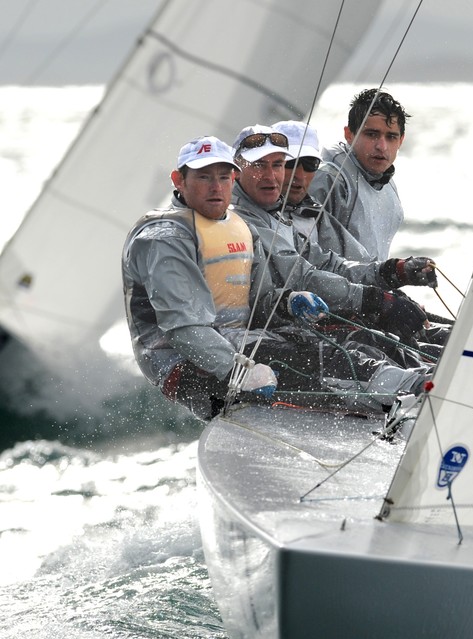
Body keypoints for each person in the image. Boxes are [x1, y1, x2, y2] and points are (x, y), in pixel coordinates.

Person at [122, 135, 429, 421]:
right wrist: (239, 372)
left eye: (223, 177)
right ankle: (416, 393)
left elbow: (258, 301)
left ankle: (416, 388)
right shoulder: (163, 239)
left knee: (350, 348)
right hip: (184, 363)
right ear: (179, 181)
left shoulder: (239, 228)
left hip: (240, 340)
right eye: (204, 177)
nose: (216, 187)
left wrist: (287, 302)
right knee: (319, 363)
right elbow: (184, 329)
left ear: (234, 178)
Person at [229, 124, 430, 346]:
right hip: (261, 337)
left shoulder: (275, 215)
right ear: (235, 172)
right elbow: (303, 277)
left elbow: (330, 264)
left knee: (419, 341)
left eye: (277, 165)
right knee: (386, 350)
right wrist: (374, 300)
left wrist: (392, 271)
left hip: (301, 324)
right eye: (259, 166)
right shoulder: (242, 218)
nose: (271, 176)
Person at [309, 88, 409, 261]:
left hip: (374, 285)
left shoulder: (388, 184)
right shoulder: (328, 179)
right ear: (349, 134)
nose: (382, 146)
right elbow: (305, 256)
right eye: (372, 134)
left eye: (391, 137)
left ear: (401, 141)